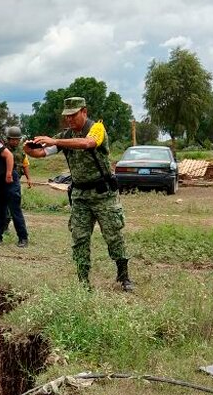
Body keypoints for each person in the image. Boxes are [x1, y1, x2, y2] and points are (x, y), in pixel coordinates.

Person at [26, 97, 133, 291]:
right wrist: (29, 149)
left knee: (113, 235)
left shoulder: (97, 128)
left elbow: (88, 143)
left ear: (84, 111)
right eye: (66, 116)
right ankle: (83, 281)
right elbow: (42, 153)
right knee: (80, 238)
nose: (69, 119)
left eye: (73, 115)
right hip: (80, 196)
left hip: (103, 194)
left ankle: (123, 276)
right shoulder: (66, 135)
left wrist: (56, 140)